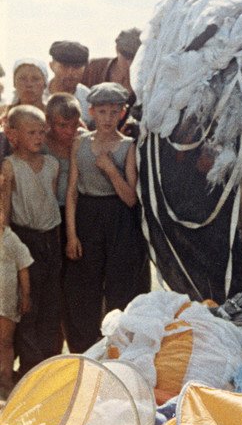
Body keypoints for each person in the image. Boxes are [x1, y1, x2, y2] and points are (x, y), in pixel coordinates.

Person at [64, 83, 145, 353]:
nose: (108, 118)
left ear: (122, 113)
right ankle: (85, 350)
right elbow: (72, 192)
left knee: (120, 286)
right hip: (87, 217)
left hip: (119, 219)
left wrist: (111, 170)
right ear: (91, 112)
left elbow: (131, 198)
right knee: (85, 287)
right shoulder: (80, 143)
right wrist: (72, 235)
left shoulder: (128, 147)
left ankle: (118, 349)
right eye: (102, 112)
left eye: (114, 112)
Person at [0, 105, 63, 375]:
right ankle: (30, 367)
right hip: (25, 239)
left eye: (41, 132)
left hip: (52, 237)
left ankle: (50, 364)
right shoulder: (10, 165)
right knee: (28, 305)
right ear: (13, 135)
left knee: (51, 301)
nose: (38, 137)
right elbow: (6, 208)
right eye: (31, 132)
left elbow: (50, 200)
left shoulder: (52, 164)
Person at [0, 210, 33, 398]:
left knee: (5, 342)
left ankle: (6, 379)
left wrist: (25, 296)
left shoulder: (11, 240)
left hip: (6, 303)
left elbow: (24, 267)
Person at [82, 28, 141, 98]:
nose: (130, 64)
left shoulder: (149, 79)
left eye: (136, 59)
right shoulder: (93, 68)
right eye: (127, 57)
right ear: (116, 49)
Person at [46, 41, 91, 121]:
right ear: (51, 66)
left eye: (76, 67)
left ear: (85, 69)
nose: (70, 73)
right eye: (64, 66)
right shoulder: (36, 94)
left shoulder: (88, 100)